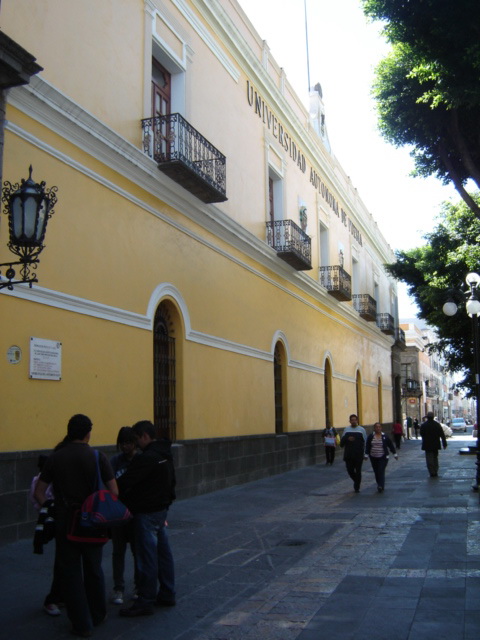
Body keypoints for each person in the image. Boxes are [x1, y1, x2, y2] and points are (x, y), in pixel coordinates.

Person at [35, 414, 117, 638]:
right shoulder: (98, 457)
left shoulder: (56, 457)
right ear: (88, 433)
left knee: (70, 572)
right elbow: (114, 492)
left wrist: (51, 508)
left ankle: (81, 623)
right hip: (92, 521)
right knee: (94, 568)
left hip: (65, 520)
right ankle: (98, 614)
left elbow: (39, 491)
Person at [117, 420, 176, 617]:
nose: (135, 444)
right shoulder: (165, 454)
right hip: (161, 511)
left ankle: (145, 600)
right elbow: (172, 482)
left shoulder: (147, 458)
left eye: (136, 439)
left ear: (144, 436)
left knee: (146, 558)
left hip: (146, 513)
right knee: (163, 555)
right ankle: (167, 592)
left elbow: (125, 482)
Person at [110, 427, 139, 605]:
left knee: (137, 551)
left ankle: (138, 585)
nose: (124, 446)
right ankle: (118, 588)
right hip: (118, 514)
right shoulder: (115, 462)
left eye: (128, 443)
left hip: (136, 513)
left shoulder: (140, 460)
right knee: (118, 552)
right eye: (122, 443)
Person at [30, 455, 62, 616]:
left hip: (55, 520)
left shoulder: (41, 481)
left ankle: (60, 596)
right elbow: (38, 497)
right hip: (53, 521)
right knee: (64, 561)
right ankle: (53, 599)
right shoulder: (40, 482)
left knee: (64, 561)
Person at [366, 422, 398, 492]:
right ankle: (379, 484)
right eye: (376, 427)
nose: (378, 428)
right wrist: (366, 455)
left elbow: (390, 445)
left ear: (381, 428)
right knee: (376, 471)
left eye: (379, 427)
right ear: (374, 428)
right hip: (373, 457)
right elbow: (368, 446)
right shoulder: (371, 436)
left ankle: (380, 485)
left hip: (383, 457)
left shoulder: (385, 436)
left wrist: (395, 454)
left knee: (381, 470)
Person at [340, 414, 367, 493]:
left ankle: (357, 486)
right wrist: (347, 438)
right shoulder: (346, 430)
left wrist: (365, 453)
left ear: (357, 420)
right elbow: (341, 443)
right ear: (350, 421)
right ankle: (357, 481)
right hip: (348, 455)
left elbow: (365, 442)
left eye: (355, 420)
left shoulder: (361, 430)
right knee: (350, 470)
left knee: (358, 470)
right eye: (352, 420)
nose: (353, 421)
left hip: (358, 454)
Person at [420, 411, 447, 477]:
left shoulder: (424, 425)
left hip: (427, 445)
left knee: (429, 459)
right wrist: (444, 443)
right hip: (435, 444)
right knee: (435, 458)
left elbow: (421, 434)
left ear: (427, 417)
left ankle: (432, 471)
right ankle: (435, 470)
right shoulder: (437, 424)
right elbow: (442, 434)